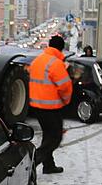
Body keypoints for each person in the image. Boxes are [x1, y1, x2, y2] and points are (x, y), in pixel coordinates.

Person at [28, 36, 73, 174]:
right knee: (55, 137)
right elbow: (65, 87)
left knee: (48, 136)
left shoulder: (37, 60)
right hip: (51, 108)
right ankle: (33, 161)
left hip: (37, 106)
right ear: (61, 48)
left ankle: (49, 165)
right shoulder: (56, 63)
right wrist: (66, 101)